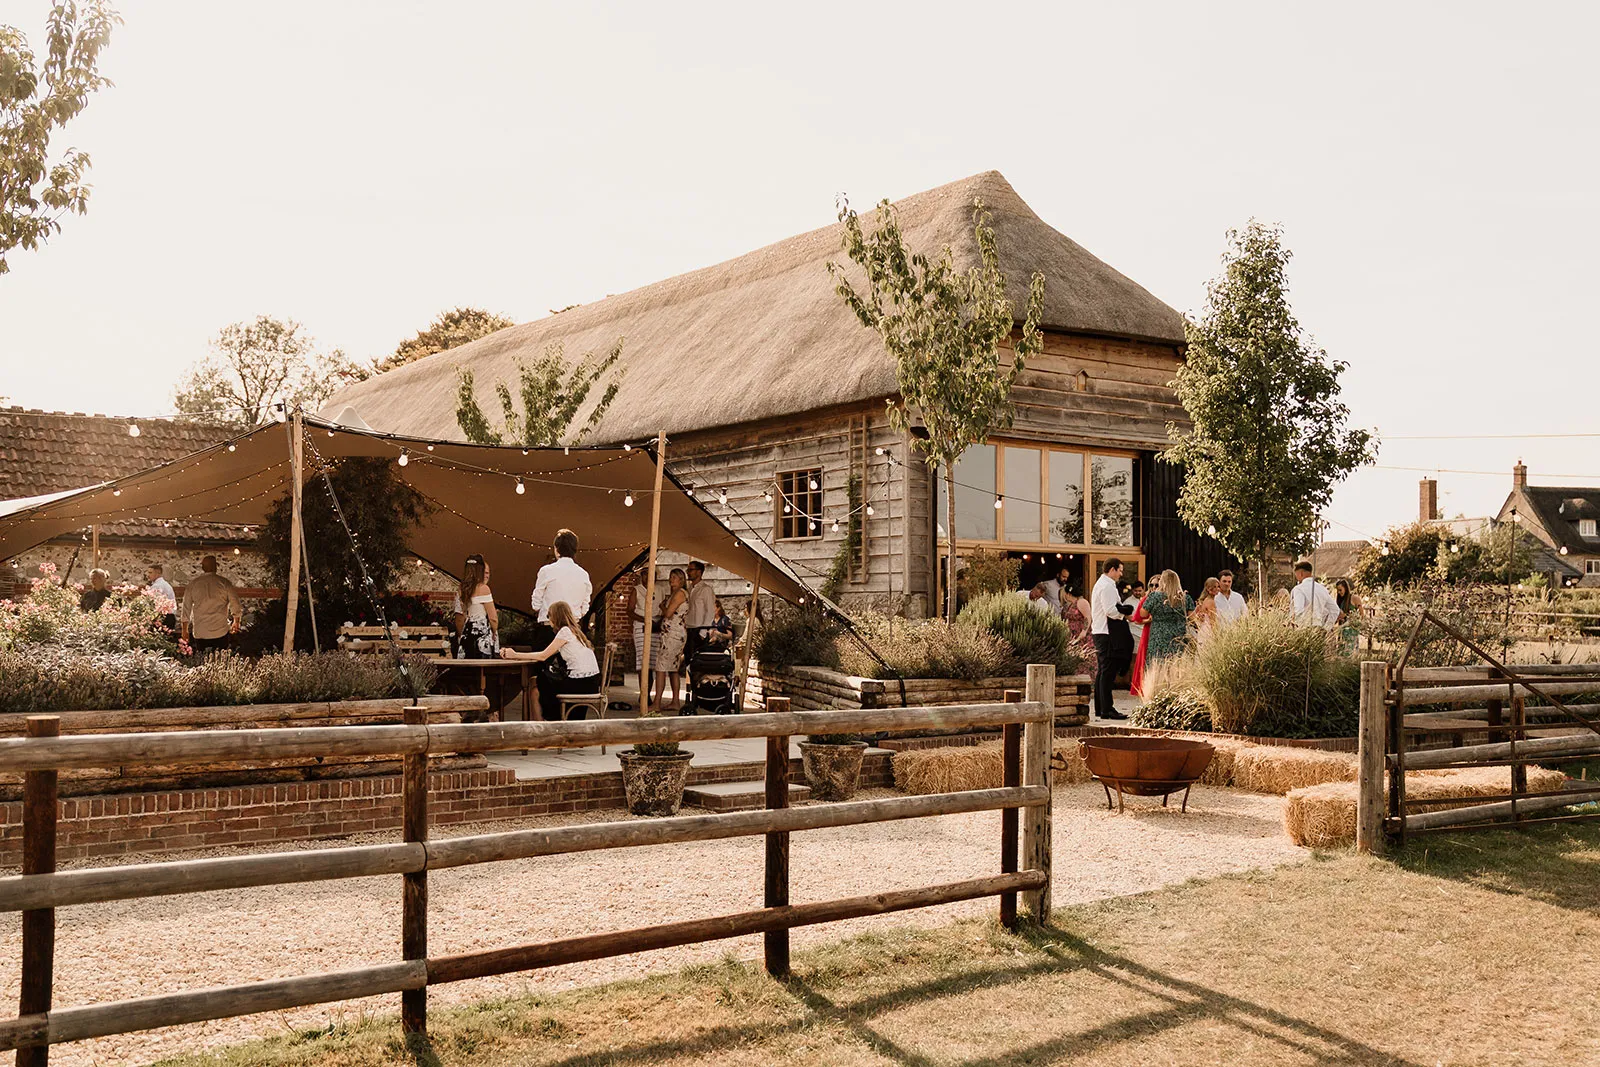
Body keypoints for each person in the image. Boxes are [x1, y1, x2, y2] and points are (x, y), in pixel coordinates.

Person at [500, 600, 600, 721]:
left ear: (556, 617)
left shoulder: (565, 632)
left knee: (540, 680)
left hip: (580, 683)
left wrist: (514, 654)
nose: (548, 619)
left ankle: (542, 724)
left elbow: (543, 656)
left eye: (549, 615)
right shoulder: (576, 632)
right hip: (591, 682)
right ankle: (541, 722)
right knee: (538, 683)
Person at [530, 529, 591, 647]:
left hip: (549, 627)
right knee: (571, 664)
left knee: (539, 663)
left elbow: (536, 603)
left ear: (556, 549)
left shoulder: (546, 571)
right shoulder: (583, 574)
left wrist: (541, 609)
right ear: (575, 550)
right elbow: (585, 606)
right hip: (573, 627)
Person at [1089, 558, 1130, 721]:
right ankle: (1107, 709)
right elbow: (1110, 611)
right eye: (1120, 570)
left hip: (1100, 631)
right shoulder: (1106, 586)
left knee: (1103, 671)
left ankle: (1101, 708)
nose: (1121, 574)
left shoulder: (1102, 584)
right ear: (1112, 569)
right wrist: (1125, 612)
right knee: (1108, 672)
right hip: (1106, 633)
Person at [180, 555, 242, 654]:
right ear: (215, 567)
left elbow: (186, 608)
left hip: (200, 630)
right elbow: (235, 603)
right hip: (220, 630)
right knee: (220, 661)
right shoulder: (224, 583)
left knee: (202, 661)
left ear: (203, 568)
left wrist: (184, 630)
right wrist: (236, 621)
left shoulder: (193, 584)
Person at [1136, 569, 1194, 667]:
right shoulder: (1185, 597)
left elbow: (1143, 614)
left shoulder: (1155, 596)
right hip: (1178, 636)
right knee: (1176, 664)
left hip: (1158, 635)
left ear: (1162, 581)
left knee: (1157, 665)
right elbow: (1192, 618)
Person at [652, 568, 690, 711]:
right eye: (670, 576)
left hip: (673, 634)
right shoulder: (674, 593)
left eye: (674, 577)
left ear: (681, 579)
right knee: (673, 668)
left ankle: (657, 703)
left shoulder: (680, 593)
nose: (671, 579)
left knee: (661, 667)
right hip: (671, 633)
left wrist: (662, 606)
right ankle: (675, 701)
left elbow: (668, 613)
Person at [452, 555, 499, 659]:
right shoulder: (484, 588)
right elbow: (493, 618)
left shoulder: (462, 589)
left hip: (467, 632)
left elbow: (461, 616)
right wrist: (494, 632)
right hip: (481, 633)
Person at [1291, 561, 1340, 629]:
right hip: (1319, 629)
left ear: (1301, 573)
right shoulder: (1322, 589)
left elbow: (1298, 611)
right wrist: (1327, 628)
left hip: (1304, 628)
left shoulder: (1298, 589)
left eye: (1296, 575)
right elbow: (1335, 609)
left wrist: (1299, 629)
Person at [684, 559, 716, 655]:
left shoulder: (705, 589)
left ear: (699, 572)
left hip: (698, 630)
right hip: (687, 628)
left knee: (697, 660)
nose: (688, 572)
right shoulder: (689, 589)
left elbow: (710, 611)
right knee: (687, 657)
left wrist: (702, 632)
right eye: (688, 570)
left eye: (691, 570)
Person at [1334, 578, 1363, 656]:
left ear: (1346, 588)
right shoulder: (1340, 601)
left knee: (1351, 654)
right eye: (1338, 591)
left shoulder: (1355, 598)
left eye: (1340, 590)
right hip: (1342, 631)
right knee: (1341, 654)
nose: (1339, 592)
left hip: (1351, 631)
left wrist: (1346, 616)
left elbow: (1361, 615)